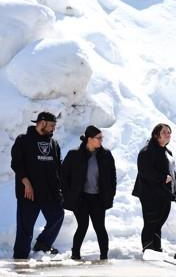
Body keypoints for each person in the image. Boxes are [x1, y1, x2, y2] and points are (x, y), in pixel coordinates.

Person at [11, 111, 64, 259]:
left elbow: (58, 168)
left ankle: (43, 244)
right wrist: (26, 182)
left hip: (50, 192)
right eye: (52, 125)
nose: (54, 129)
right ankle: (20, 260)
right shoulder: (23, 140)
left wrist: (61, 189)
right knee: (25, 229)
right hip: (29, 193)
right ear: (42, 122)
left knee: (58, 216)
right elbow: (16, 164)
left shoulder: (53, 143)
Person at [61, 126, 117, 260]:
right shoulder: (74, 154)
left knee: (100, 227)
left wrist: (110, 193)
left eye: (101, 138)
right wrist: (68, 194)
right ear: (90, 139)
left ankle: (104, 256)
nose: (101, 140)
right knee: (83, 225)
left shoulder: (106, 155)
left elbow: (112, 177)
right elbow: (63, 176)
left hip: (98, 198)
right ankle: (75, 254)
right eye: (99, 138)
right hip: (81, 198)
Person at [132, 123, 176, 252]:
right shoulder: (146, 151)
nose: (168, 134)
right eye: (164, 132)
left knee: (159, 223)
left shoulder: (167, 151)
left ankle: (156, 249)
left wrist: (174, 176)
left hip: (165, 193)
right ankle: (148, 249)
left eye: (169, 132)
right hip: (150, 194)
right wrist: (163, 178)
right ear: (156, 135)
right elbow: (145, 171)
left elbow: (169, 168)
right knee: (151, 222)